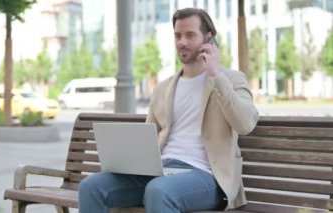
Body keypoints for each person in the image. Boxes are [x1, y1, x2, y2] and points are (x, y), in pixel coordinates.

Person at [79, 8, 259, 213]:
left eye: (190, 35)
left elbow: (246, 124)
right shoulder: (163, 88)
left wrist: (215, 74)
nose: (182, 41)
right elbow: (148, 137)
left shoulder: (232, 79)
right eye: (178, 35)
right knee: (92, 187)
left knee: (159, 190)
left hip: (207, 177)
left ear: (208, 37)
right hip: (161, 172)